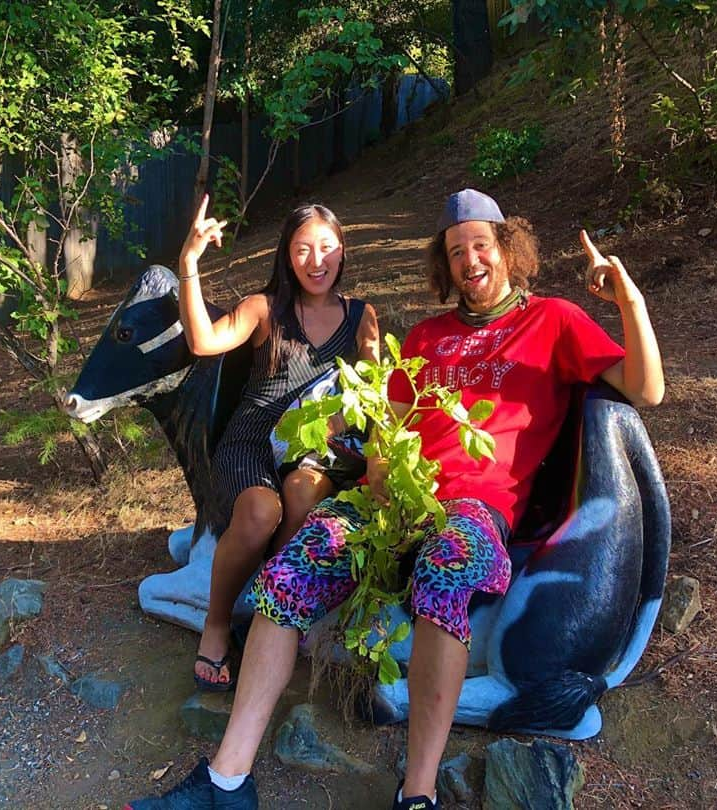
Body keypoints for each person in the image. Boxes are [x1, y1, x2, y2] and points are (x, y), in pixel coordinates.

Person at [127, 189, 663, 810]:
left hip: (475, 508)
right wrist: (379, 467)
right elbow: (391, 424)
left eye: (480, 246)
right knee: (288, 573)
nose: (470, 262)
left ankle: (417, 793)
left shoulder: (553, 321)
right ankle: (226, 781)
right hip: (391, 505)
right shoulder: (429, 336)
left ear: (508, 249)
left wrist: (628, 298)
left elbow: (645, 390)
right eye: (456, 251)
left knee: (445, 570)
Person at [179, 196, 380, 691]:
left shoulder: (361, 317)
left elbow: (375, 388)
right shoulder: (263, 308)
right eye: (303, 249)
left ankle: (276, 608)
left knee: (303, 493)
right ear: (287, 255)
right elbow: (203, 342)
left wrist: (346, 423)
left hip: (315, 448)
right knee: (260, 511)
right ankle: (218, 622)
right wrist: (188, 263)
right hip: (250, 442)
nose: (317, 261)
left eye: (328, 248)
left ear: (343, 250)